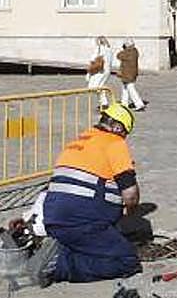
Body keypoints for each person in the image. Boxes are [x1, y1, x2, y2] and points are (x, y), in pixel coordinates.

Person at [27, 102, 142, 286]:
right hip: (82, 220)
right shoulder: (114, 142)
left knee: (97, 243)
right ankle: (59, 264)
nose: (125, 138)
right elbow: (130, 194)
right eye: (125, 133)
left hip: (54, 218)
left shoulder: (77, 142)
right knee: (127, 261)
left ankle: (60, 248)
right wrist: (131, 211)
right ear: (118, 127)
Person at [116, 38, 146, 111]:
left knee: (130, 88)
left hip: (128, 73)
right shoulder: (134, 51)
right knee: (125, 88)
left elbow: (119, 55)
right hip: (130, 73)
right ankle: (124, 103)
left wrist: (124, 49)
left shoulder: (128, 52)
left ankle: (139, 104)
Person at [85, 36, 114, 106]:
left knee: (93, 87)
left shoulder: (99, 49)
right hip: (106, 71)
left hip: (99, 71)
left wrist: (90, 69)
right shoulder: (109, 50)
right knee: (100, 86)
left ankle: (103, 102)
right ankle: (103, 103)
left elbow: (93, 59)